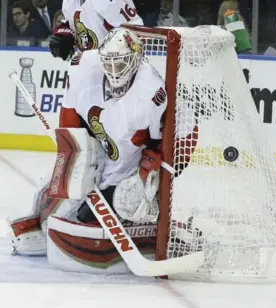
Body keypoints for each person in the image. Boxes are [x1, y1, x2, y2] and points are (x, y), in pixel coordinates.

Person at [7, 28, 197, 274]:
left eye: (122, 64)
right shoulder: (86, 69)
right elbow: (71, 117)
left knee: (114, 205)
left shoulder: (149, 91)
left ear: (136, 60)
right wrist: (74, 152)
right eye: (110, 63)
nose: (115, 71)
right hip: (97, 156)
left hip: (128, 171)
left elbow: (168, 140)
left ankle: (157, 227)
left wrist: (150, 171)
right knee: (47, 203)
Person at [49, 0, 143, 61]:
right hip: (87, 65)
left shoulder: (106, 2)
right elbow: (71, 21)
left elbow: (135, 30)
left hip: (116, 66)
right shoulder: (69, 2)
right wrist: (63, 35)